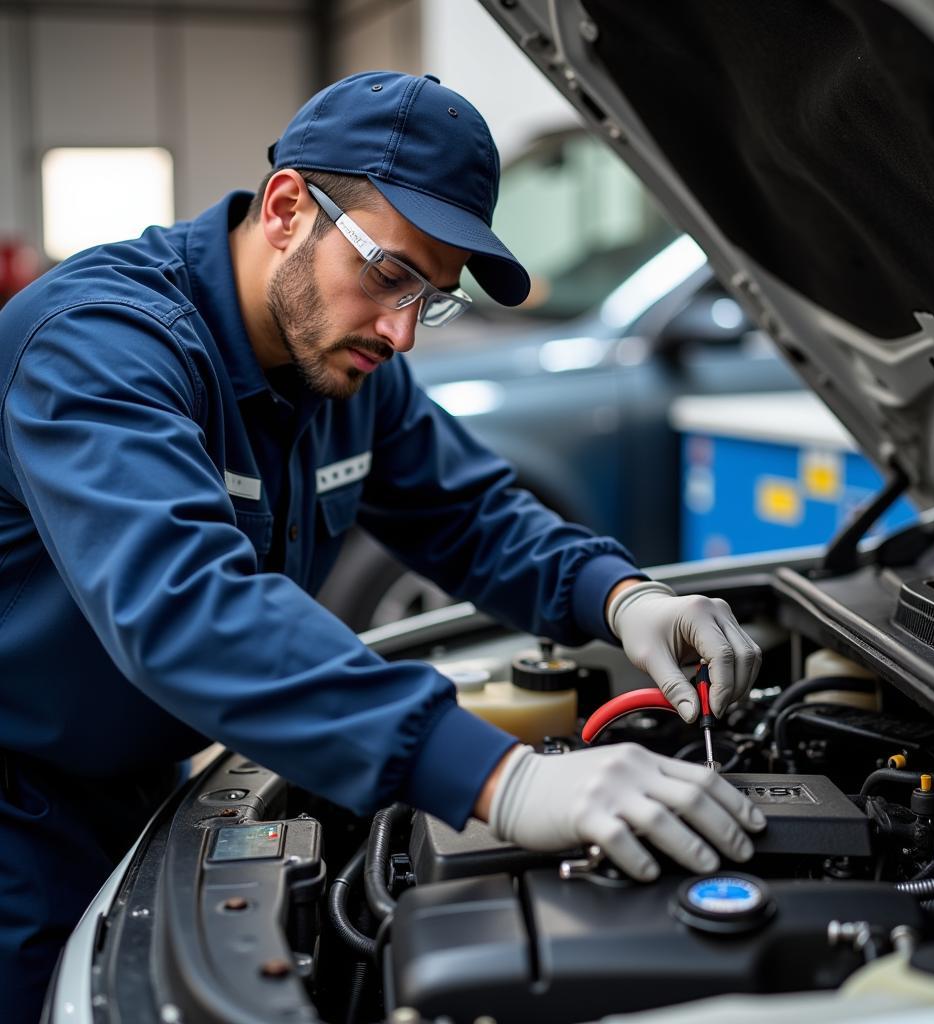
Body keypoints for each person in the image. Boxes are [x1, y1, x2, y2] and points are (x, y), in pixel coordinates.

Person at [0, 71, 764, 1021]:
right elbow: (189, 608)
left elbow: (476, 515)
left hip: (142, 782)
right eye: (392, 272)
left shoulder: (346, 364)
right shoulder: (99, 347)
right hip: (19, 812)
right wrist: (498, 778)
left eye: (433, 297)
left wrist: (625, 597)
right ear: (288, 209)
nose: (402, 331)